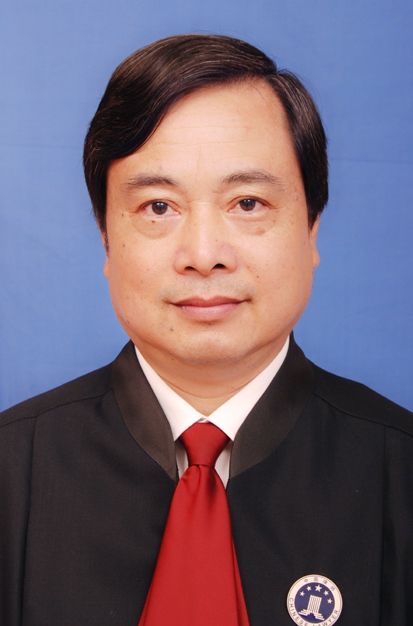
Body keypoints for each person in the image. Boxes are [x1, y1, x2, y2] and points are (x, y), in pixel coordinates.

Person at [1, 34, 412, 626]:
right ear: (106, 239)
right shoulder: (12, 473)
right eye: (158, 207)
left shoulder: (400, 473)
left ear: (312, 230)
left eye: (247, 203)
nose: (203, 254)